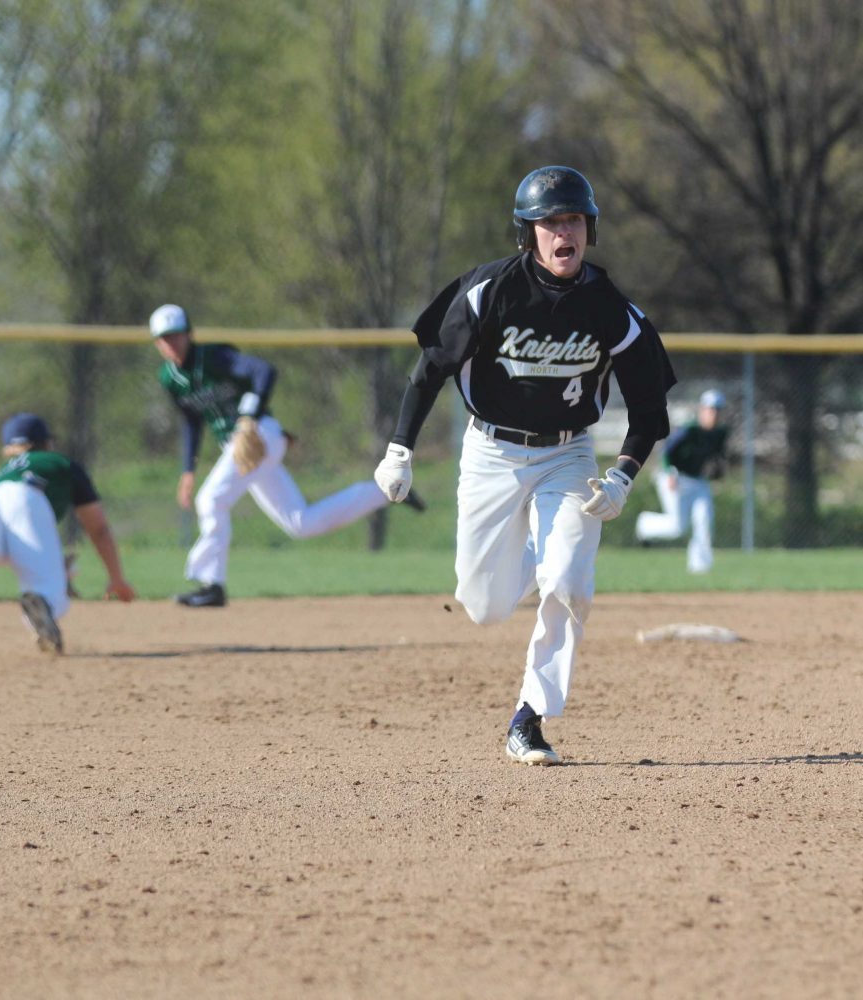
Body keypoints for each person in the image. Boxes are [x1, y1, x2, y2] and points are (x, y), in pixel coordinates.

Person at [373, 165, 676, 765]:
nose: (566, 232)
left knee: (568, 583)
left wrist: (622, 475)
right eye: (551, 221)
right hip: (492, 453)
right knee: (484, 606)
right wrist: (399, 447)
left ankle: (529, 718)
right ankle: (544, 558)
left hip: (568, 455)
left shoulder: (610, 308)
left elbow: (650, 410)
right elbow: (432, 367)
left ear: (588, 228)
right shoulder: (491, 291)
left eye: (575, 219)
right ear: (528, 234)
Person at [150, 304, 424, 607]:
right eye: (164, 338)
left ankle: (211, 583)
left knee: (210, 500)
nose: (171, 343)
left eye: (176, 335)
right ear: (156, 343)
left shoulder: (213, 357)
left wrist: (249, 415)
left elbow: (264, 372)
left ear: (189, 334)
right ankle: (384, 491)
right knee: (300, 523)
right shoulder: (169, 378)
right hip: (240, 446)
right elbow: (191, 420)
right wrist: (188, 470)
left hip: (258, 436)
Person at [0, 413, 136, 653]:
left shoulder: (3, 471)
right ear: (47, 443)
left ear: (8, 449)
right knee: (47, 585)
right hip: (26, 499)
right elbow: (99, 529)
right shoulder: (62, 464)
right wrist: (116, 578)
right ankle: (42, 601)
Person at [635, 389, 729, 573]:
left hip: (698, 481)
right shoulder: (689, 429)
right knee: (677, 527)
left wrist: (719, 471)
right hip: (675, 477)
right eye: (710, 409)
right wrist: (670, 472)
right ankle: (644, 524)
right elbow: (666, 451)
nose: (714, 414)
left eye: (718, 410)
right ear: (702, 410)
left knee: (704, 520)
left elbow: (718, 457)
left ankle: (700, 568)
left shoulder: (720, 433)